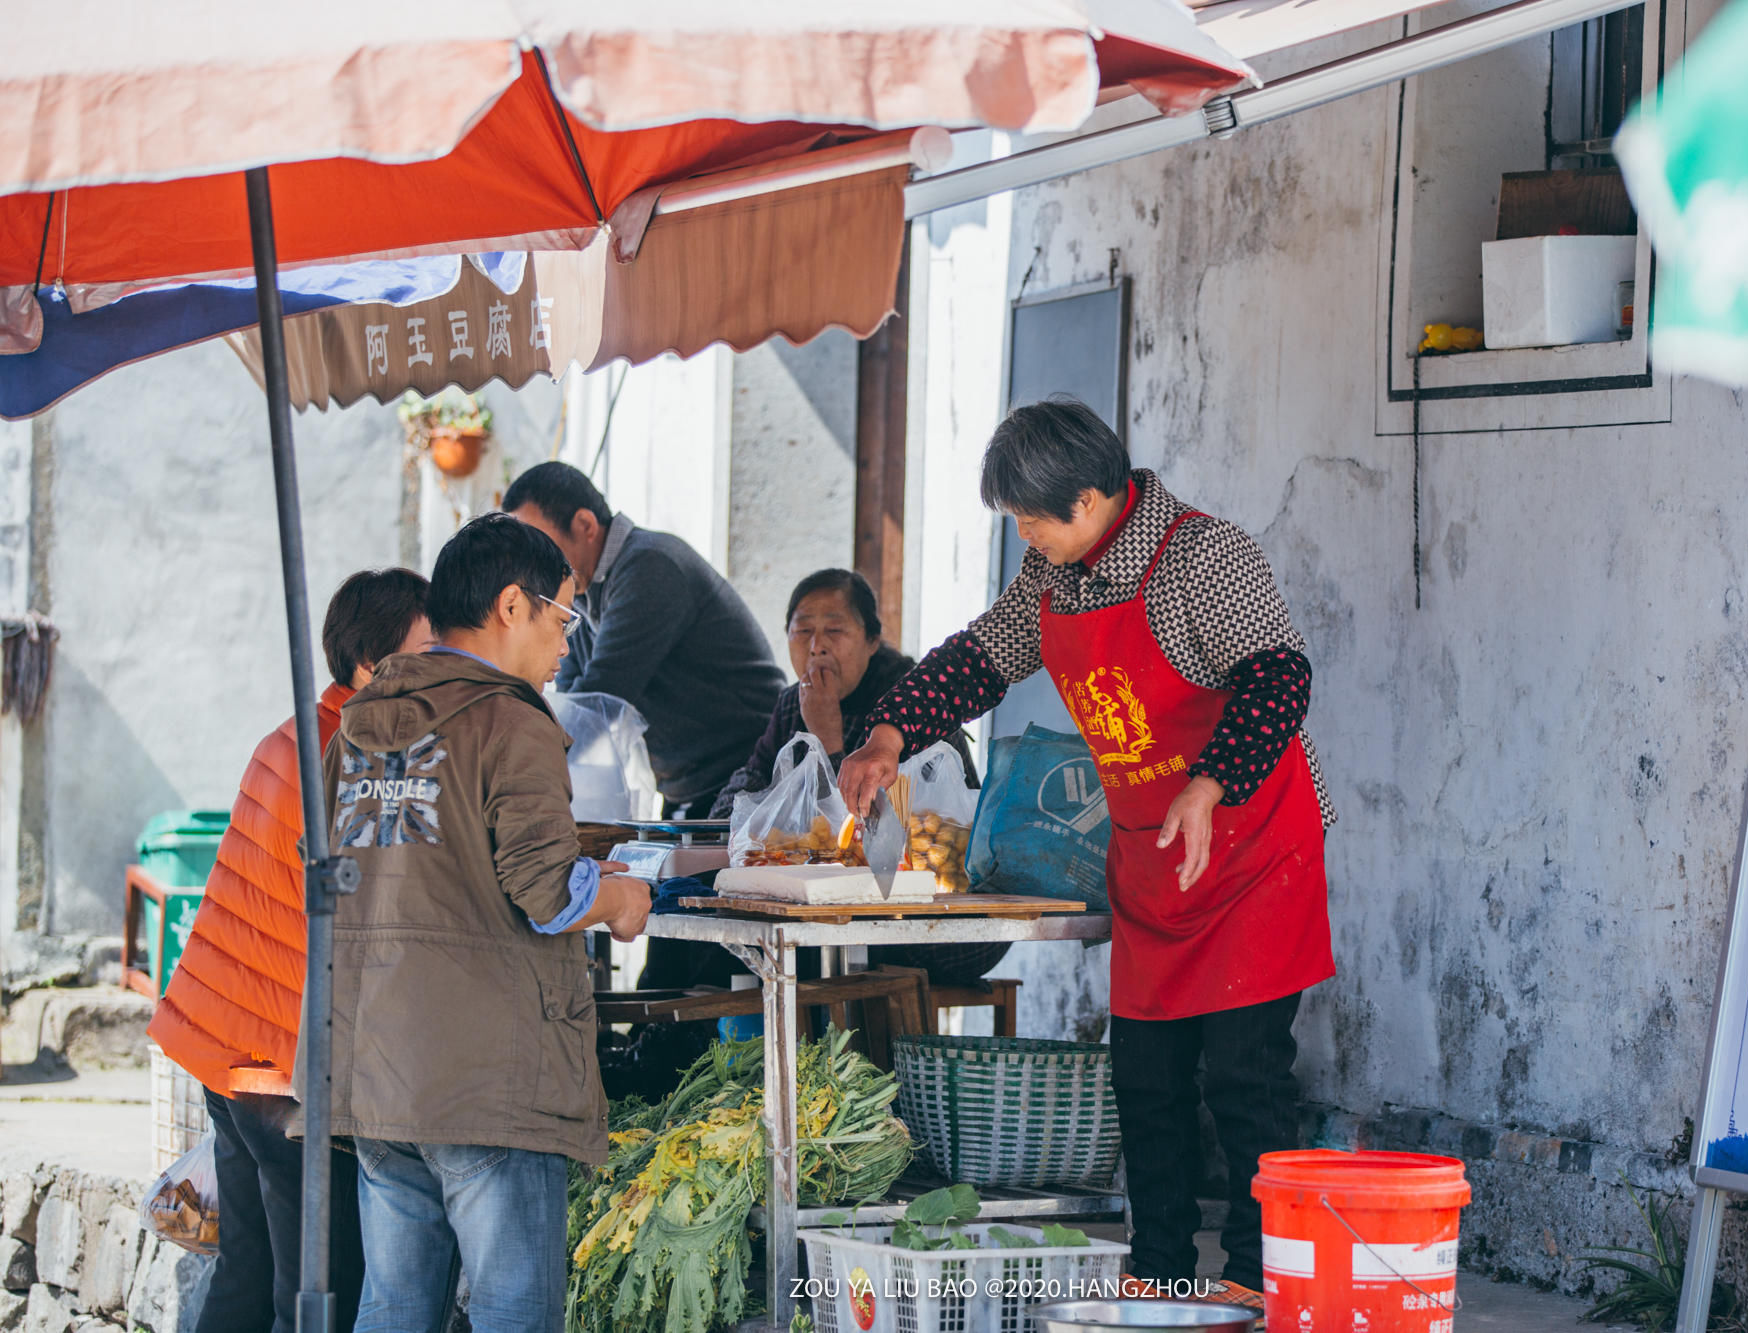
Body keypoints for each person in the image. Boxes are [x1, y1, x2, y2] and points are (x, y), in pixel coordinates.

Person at [838, 398, 1335, 1303]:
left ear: (1094, 496)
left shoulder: (1203, 555)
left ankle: (1264, 1287)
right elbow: (979, 658)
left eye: (1030, 517)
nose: (1023, 534)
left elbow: (1279, 676)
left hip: (1253, 852)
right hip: (1152, 861)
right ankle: (1162, 1282)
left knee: (1243, 1076)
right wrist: (888, 734)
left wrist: (1207, 782)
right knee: (1145, 1079)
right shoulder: (1052, 575)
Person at [324, 514, 652, 1333]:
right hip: (482, 1076)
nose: (566, 644)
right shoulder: (512, 721)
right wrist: (618, 899)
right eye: (563, 616)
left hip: (373, 1066)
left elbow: (337, 873)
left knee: (395, 1304)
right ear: (513, 605)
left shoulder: (359, 723)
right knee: (514, 1310)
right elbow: (544, 890)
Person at [148, 567, 433, 1333]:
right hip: (281, 1075)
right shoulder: (357, 756)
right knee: (316, 1294)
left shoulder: (299, 733)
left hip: (224, 1051)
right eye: (428, 650)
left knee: (247, 1277)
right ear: (371, 666)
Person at [712, 568, 1003, 986]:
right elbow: (740, 796)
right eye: (803, 631)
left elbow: (879, 836)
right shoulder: (795, 704)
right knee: (723, 926)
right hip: (835, 906)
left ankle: (825, 1046)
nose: (817, 648)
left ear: (871, 641)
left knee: (803, 949)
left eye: (835, 630)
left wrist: (829, 740)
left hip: (938, 916)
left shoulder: (911, 705)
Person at [501, 461, 784, 817]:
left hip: (748, 783)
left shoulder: (650, 567)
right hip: (688, 789)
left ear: (586, 526)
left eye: (539, 543)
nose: (530, 562)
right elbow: (573, 703)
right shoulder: (582, 593)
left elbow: (599, 702)